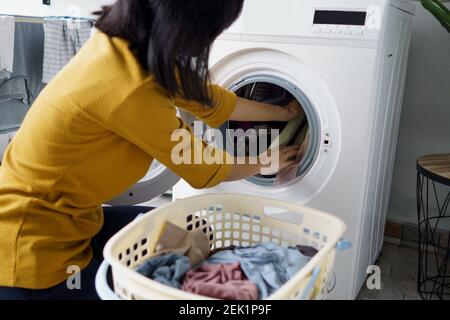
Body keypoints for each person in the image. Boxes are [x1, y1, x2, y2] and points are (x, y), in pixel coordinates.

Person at [0, 0, 302, 300]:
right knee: (147, 292)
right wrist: (264, 162)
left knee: (194, 230)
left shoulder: (122, 45)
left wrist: (283, 113)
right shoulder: (131, 89)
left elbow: (211, 100)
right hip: (35, 251)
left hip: (74, 218)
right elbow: (204, 169)